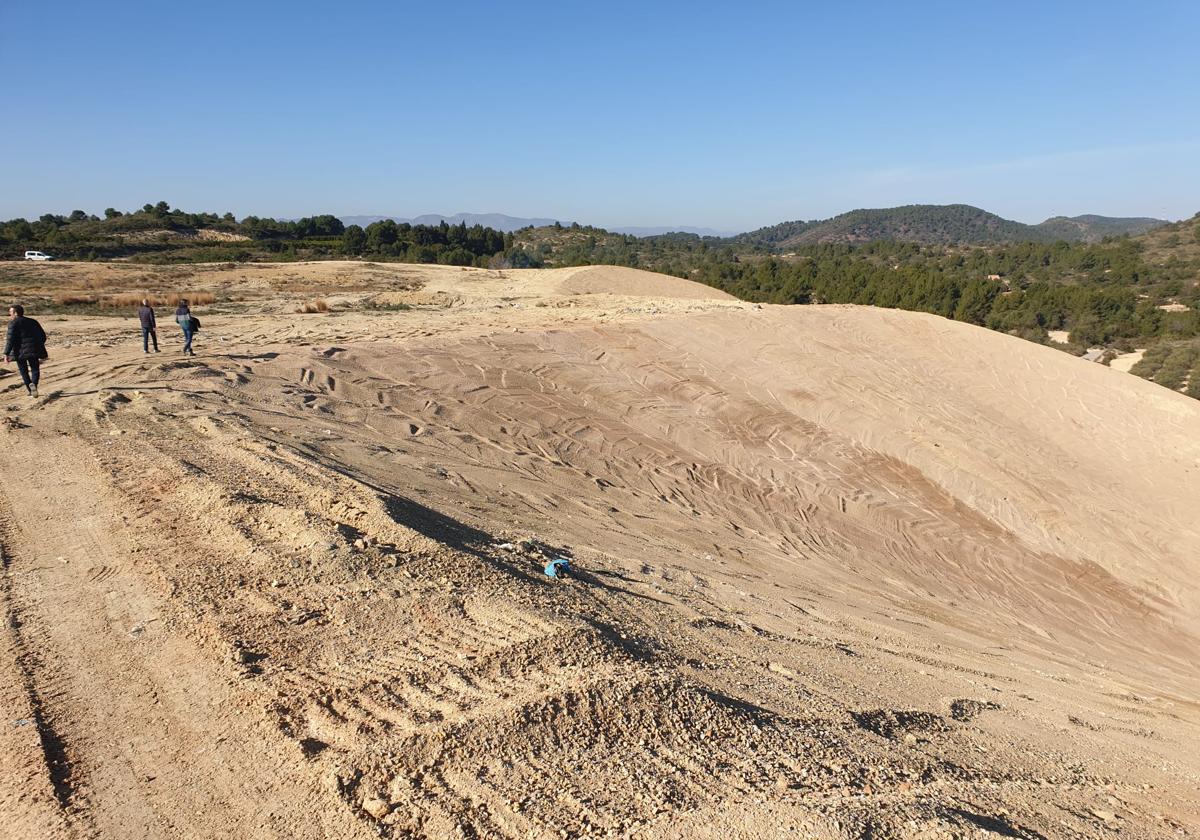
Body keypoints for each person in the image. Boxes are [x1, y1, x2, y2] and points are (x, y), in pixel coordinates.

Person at [4, 304, 48, 398]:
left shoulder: (13, 323)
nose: (9, 314)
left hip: (19, 352)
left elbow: (10, 340)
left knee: (24, 371)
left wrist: (6, 353)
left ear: (15, 313)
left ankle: (30, 390)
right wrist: (38, 345)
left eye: (10, 312)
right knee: (35, 369)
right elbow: (43, 336)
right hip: (34, 350)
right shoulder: (33, 321)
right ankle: (34, 385)